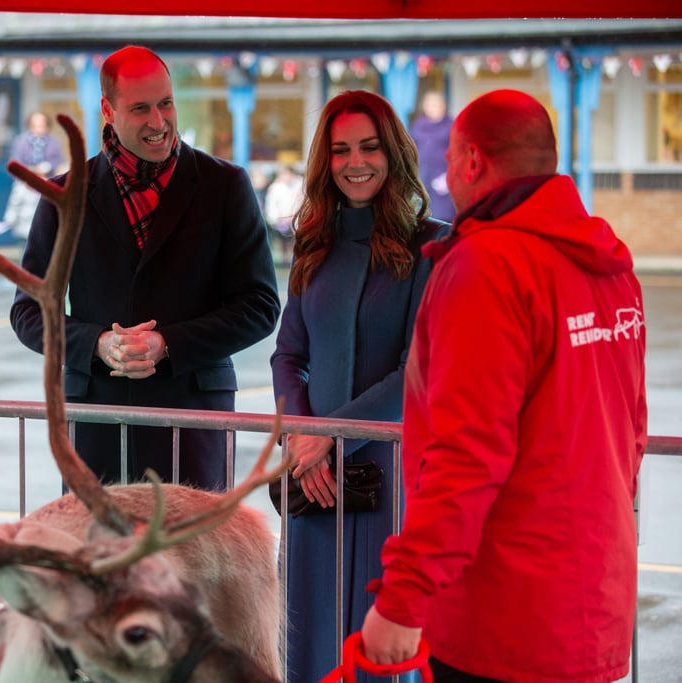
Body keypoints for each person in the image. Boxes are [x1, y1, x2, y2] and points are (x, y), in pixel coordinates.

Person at [361, 89, 647, 682]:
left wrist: (403, 599)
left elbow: (466, 453)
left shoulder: (486, 267)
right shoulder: (609, 264)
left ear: (471, 161)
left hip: (504, 616)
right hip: (593, 600)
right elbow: (632, 432)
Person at [10, 45, 280, 491]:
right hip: (95, 420)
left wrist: (167, 344)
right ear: (107, 110)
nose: (158, 122)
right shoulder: (65, 195)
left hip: (194, 418)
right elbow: (28, 312)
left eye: (165, 103)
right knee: (101, 557)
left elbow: (260, 305)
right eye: (140, 109)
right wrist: (96, 343)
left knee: (195, 560)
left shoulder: (225, 185)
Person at [270, 89, 448, 683]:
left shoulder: (432, 247)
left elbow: (417, 369)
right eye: (341, 150)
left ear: (393, 153)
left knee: (378, 646)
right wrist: (302, 437)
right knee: (305, 635)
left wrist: (333, 439)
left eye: (369, 147)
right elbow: (288, 355)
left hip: (389, 477)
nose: (355, 162)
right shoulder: (312, 243)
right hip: (312, 482)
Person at [2, 111, 67, 240]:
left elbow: (59, 161)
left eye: (42, 124)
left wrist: (47, 168)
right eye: (36, 124)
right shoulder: (21, 141)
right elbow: (15, 161)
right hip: (26, 182)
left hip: (47, 181)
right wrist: (29, 172)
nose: (39, 127)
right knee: (22, 211)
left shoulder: (54, 142)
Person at [409, 90, 455, 222]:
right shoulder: (418, 125)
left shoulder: (451, 125)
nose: (434, 107)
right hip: (423, 179)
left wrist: (449, 177)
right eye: (431, 104)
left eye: (437, 104)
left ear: (444, 105)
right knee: (423, 217)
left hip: (443, 181)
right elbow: (411, 150)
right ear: (425, 107)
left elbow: (459, 154)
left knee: (443, 220)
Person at [263, 162, 303, 264]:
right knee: (282, 242)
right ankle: (284, 261)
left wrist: (295, 217)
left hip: (296, 220)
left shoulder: (301, 185)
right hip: (281, 221)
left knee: (294, 243)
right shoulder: (276, 187)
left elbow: (303, 203)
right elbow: (271, 205)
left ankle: (294, 259)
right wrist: (276, 218)